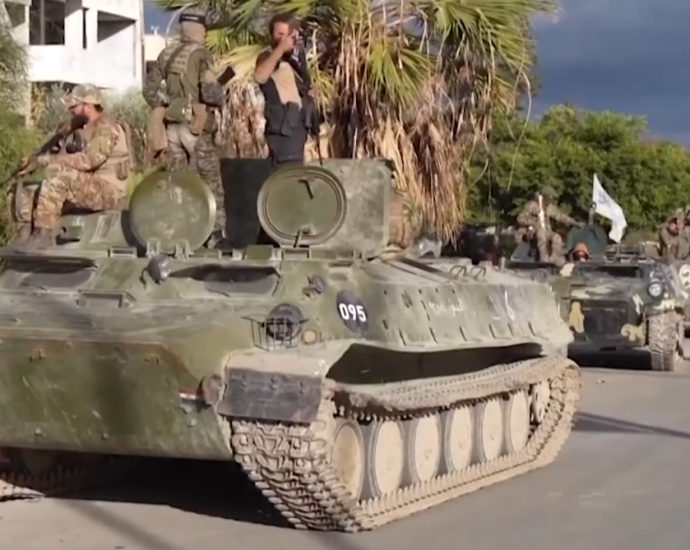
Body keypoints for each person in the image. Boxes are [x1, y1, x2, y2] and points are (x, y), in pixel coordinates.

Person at [12, 84, 134, 252]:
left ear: (88, 105)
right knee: (29, 189)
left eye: (75, 106)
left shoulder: (107, 128)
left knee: (60, 177)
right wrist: (34, 160)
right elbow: (58, 144)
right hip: (90, 184)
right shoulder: (83, 125)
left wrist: (44, 161)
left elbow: (89, 161)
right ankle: (25, 234)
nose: (71, 110)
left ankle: (42, 235)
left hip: (109, 192)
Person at [142, 8, 226, 235]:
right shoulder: (201, 54)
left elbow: (149, 90)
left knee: (179, 183)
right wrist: (220, 93)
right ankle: (215, 234)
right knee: (210, 183)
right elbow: (209, 94)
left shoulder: (166, 54)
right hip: (196, 129)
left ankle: (183, 231)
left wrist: (167, 107)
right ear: (200, 29)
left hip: (173, 129)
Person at [254, 13, 317, 168]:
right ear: (271, 35)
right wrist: (281, 48)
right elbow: (260, 76)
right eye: (280, 34)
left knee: (294, 173)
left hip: (297, 129)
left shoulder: (294, 62)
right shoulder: (269, 56)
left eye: (288, 35)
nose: (284, 39)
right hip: (283, 128)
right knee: (287, 174)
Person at [516, 186, 583, 264]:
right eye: (551, 197)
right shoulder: (532, 205)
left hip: (545, 231)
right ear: (545, 197)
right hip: (532, 232)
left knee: (556, 237)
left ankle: (554, 258)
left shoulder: (549, 207)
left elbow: (560, 216)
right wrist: (534, 222)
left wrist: (574, 222)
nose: (551, 200)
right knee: (541, 233)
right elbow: (520, 218)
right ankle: (543, 258)